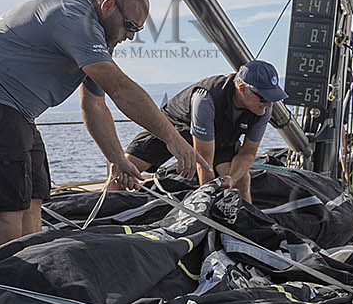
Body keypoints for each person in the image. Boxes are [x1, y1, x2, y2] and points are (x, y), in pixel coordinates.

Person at [0, 0, 213, 249]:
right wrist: (174, 140)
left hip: (18, 112)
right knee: (7, 207)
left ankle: (27, 267)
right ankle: (4, 272)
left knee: (34, 197)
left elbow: (94, 106)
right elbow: (120, 88)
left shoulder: (100, 38)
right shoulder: (75, 21)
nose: (131, 36)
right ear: (108, 5)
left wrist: (118, 160)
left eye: (137, 30)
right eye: (129, 26)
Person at [120, 61, 287, 201]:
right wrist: (207, 203)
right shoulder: (206, 98)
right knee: (125, 169)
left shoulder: (264, 108)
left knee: (242, 179)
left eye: (272, 97)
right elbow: (204, 163)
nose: (269, 104)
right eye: (264, 98)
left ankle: (245, 221)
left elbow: (248, 153)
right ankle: (107, 206)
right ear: (242, 89)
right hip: (176, 126)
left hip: (221, 135)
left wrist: (231, 179)